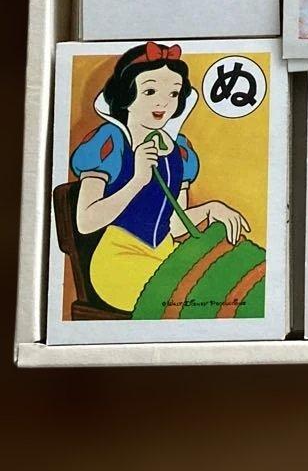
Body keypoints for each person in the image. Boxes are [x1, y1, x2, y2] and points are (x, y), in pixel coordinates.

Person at [68, 43, 250, 313]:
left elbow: (175, 226)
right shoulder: (110, 141)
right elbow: (85, 222)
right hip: (119, 264)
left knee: (234, 284)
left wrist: (211, 209)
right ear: (126, 95)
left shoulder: (180, 151)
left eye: (173, 93)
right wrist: (138, 180)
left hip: (164, 257)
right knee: (200, 298)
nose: (163, 102)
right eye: (150, 91)